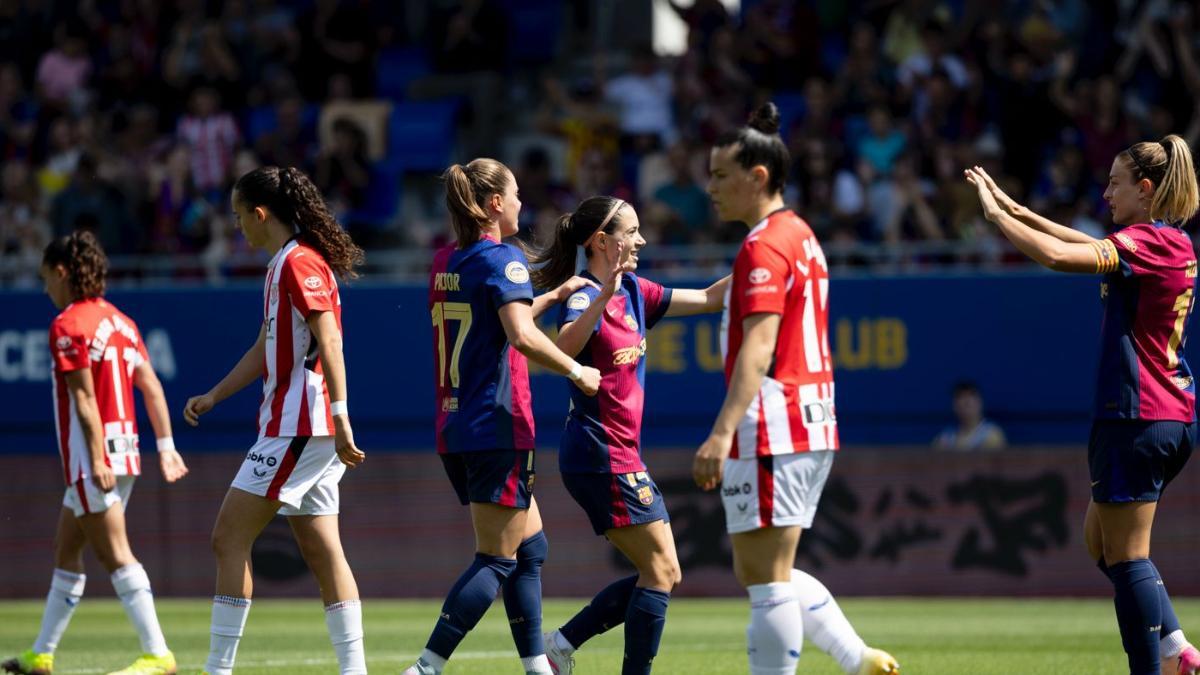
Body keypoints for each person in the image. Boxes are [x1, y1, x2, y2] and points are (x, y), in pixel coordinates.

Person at [966, 136, 1200, 675]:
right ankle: (1177, 649)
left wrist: (995, 220)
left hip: (1138, 414)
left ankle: (1157, 665)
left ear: (1145, 189)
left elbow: (1057, 256)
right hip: (1168, 412)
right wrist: (1019, 208)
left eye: (1116, 183)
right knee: (1101, 543)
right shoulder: (1170, 241)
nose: (1106, 192)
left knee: (1128, 557)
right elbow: (1084, 242)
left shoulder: (1148, 244)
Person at [691, 103, 899, 675]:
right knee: (765, 569)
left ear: (758, 177)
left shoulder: (763, 246)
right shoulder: (798, 233)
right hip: (810, 420)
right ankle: (857, 659)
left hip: (773, 424)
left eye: (720, 175)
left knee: (764, 580)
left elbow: (759, 349)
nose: (710, 187)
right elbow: (728, 305)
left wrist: (720, 432)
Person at [403, 158, 602, 675]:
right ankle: (425, 667)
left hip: (456, 426)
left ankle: (536, 665)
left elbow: (502, 319)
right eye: (514, 195)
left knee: (531, 547)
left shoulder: (447, 260)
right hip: (498, 424)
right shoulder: (503, 259)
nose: (520, 204)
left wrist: (552, 296)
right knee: (496, 557)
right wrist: (575, 371)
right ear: (495, 205)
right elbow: (519, 335)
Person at [528, 195, 728, 674]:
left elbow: (709, 298)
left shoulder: (637, 291)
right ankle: (563, 647)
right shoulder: (582, 294)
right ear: (602, 242)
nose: (640, 240)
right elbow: (564, 349)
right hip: (597, 452)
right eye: (630, 232)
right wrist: (603, 293)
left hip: (617, 453)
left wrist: (762, 262)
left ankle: (560, 645)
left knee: (661, 572)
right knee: (662, 572)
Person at [182, 166, 368, 675]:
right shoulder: (288, 263)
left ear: (260, 214)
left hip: (299, 425)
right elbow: (268, 347)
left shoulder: (297, 263)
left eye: (241, 216)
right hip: (304, 426)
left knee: (228, 536)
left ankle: (217, 669)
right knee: (321, 547)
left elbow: (328, 340)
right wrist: (216, 395)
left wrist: (340, 415)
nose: (238, 227)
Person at [3, 231, 188, 675]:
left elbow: (84, 401)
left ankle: (158, 653)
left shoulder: (68, 325)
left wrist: (97, 459)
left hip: (94, 461)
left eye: (47, 277)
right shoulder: (122, 322)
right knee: (66, 550)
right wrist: (166, 446)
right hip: (126, 453)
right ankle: (41, 654)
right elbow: (151, 386)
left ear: (63, 273)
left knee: (115, 554)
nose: (46, 288)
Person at [932, 380, 1007, 451]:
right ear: (954, 406)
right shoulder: (945, 437)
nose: (965, 402)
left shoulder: (992, 434)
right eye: (960, 397)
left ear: (979, 403)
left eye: (970, 396)